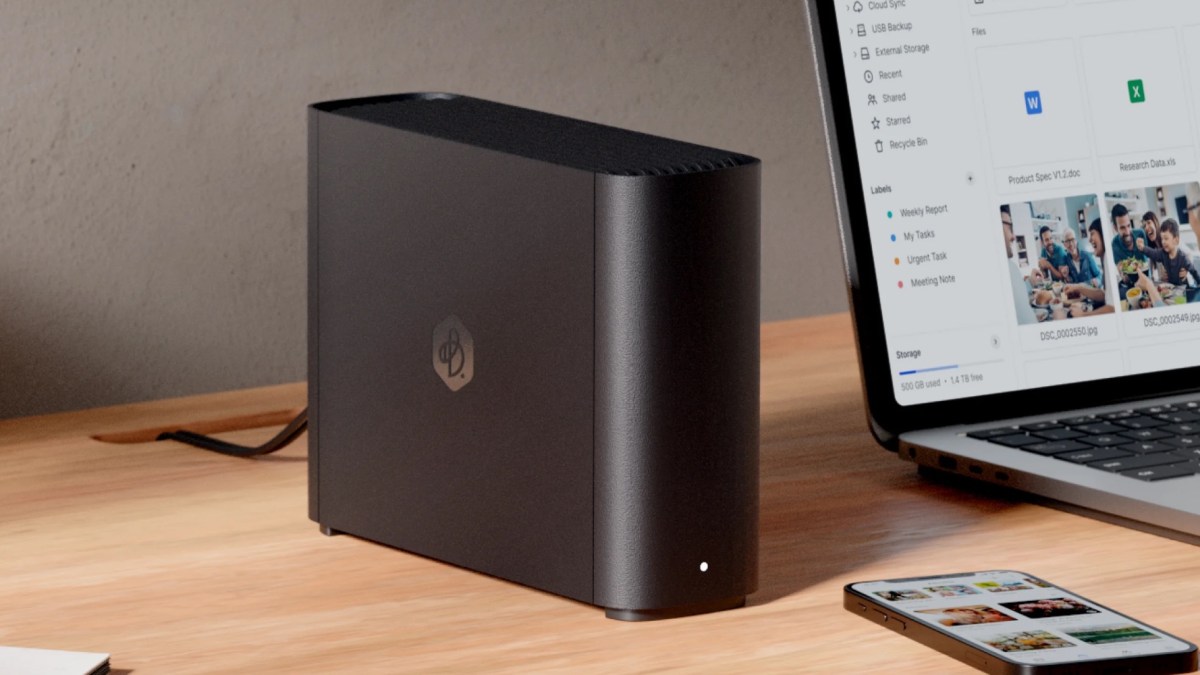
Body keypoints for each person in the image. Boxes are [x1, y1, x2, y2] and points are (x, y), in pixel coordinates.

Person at [1137, 218, 1200, 288]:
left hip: (1184, 288)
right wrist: (1143, 248)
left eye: (1166, 238)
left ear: (1176, 240)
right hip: (1171, 288)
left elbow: (1193, 271)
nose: (1163, 242)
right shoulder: (1162, 253)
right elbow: (1153, 253)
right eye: (1162, 239)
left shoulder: (1183, 258)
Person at [1001, 206, 1037, 324]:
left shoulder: (1010, 266)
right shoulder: (1008, 269)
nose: (1014, 237)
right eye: (1010, 228)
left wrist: (1030, 282)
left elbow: (1017, 294)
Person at [1110, 203, 1149, 269]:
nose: (1127, 232)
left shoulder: (1141, 234)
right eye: (1122, 228)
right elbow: (1120, 267)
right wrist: (1122, 272)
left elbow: (1149, 258)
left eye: (1128, 226)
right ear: (1116, 228)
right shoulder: (1115, 244)